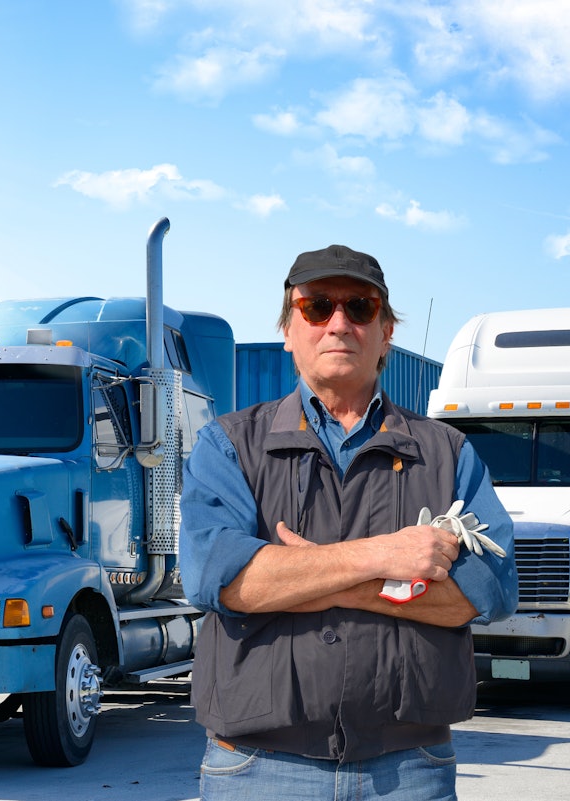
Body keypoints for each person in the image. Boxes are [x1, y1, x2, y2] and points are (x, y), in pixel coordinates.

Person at [179, 244, 518, 800]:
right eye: (316, 307)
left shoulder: (448, 453)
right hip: (258, 769)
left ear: (386, 333)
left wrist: (306, 576)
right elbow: (223, 581)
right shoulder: (229, 445)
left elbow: (488, 591)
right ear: (288, 330)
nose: (338, 323)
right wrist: (385, 557)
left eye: (360, 307)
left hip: (410, 769)